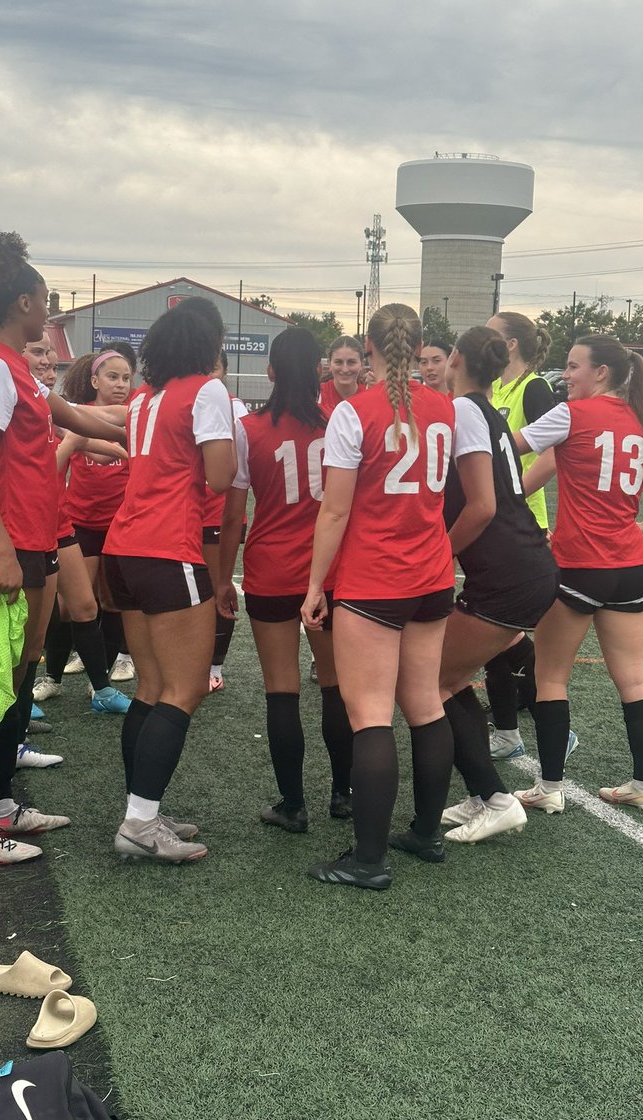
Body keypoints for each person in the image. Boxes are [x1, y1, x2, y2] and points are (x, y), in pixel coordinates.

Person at [0, 231, 125, 865]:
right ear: (22, 303)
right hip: (3, 548)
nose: (49, 311)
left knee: (19, 670)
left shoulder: (15, 365)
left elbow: (73, 416)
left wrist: (143, 432)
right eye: (45, 301)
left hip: (32, 540)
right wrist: (6, 553)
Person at [511, 334, 643, 816]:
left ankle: (549, 787)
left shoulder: (571, 414)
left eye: (573, 367)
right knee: (633, 679)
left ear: (601, 373)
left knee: (550, 677)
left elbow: (507, 446)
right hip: (631, 566)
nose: (565, 375)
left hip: (580, 564)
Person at [302, 303, 455, 891]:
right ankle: (425, 832)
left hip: (375, 579)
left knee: (369, 715)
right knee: (425, 705)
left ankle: (368, 859)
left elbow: (335, 509)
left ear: (368, 348)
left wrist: (316, 585)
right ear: (419, 350)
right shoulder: (445, 407)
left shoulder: (353, 411)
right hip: (432, 575)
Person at [102, 296, 236, 864]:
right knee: (184, 691)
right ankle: (139, 820)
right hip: (167, 547)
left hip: (122, 547)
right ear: (208, 343)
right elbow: (221, 475)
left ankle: (143, 808)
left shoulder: (144, 397)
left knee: (151, 688)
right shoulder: (206, 390)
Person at [215, 328, 353, 832]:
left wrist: (221, 579)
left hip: (270, 569)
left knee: (282, 690)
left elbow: (233, 517)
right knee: (337, 686)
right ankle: (344, 793)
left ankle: (293, 804)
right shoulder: (340, 421)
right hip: (333, 570)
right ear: (320, 371)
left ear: (270, 372)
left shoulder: (248, 429)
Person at [437, 327, 559, 843]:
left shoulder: (465, 410)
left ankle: (495, 797)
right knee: (448, 679)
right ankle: (479, 793)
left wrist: (437, 552)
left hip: (511, 571)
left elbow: (484, 506)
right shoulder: (486, 410)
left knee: (431, 682)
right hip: (518, 565)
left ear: (457, 359)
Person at [31, 350, 132, 719]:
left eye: (126, 378)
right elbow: (78, 447)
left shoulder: (57, 408)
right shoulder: (58, 411)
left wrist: (131, 444)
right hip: (61, 523)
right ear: (94, 381)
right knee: (58, 609)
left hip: (98, 524)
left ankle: (103, 682)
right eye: (112, 378)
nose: (120, 385)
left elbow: (105, 445)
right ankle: (45, 680)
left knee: (99, 602)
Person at [482, 311, 563, 762]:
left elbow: (557, 449)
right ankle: (522, 707)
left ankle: (543, 704)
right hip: (495, 518)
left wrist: (515, 493)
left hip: (522, 521)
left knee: (497, 622)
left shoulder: (533, 388)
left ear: (510, 344)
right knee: (494, 620)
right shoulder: (498, 388)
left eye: (491, 333)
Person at [200, 350, 248, 692]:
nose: (208, 374)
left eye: (214, 367)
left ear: (225, 372)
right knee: (195, 593)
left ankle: (215, 666)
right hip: (188, 513)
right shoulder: (188, 400)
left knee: (219, 588)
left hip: (220, 512)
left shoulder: (235, 407)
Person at [318, 335, 366, 413]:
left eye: (351, 362)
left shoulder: (370, 396)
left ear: (362, 364)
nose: (345, 369)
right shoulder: (317, 396)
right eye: (338, 362)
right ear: (329, 364)